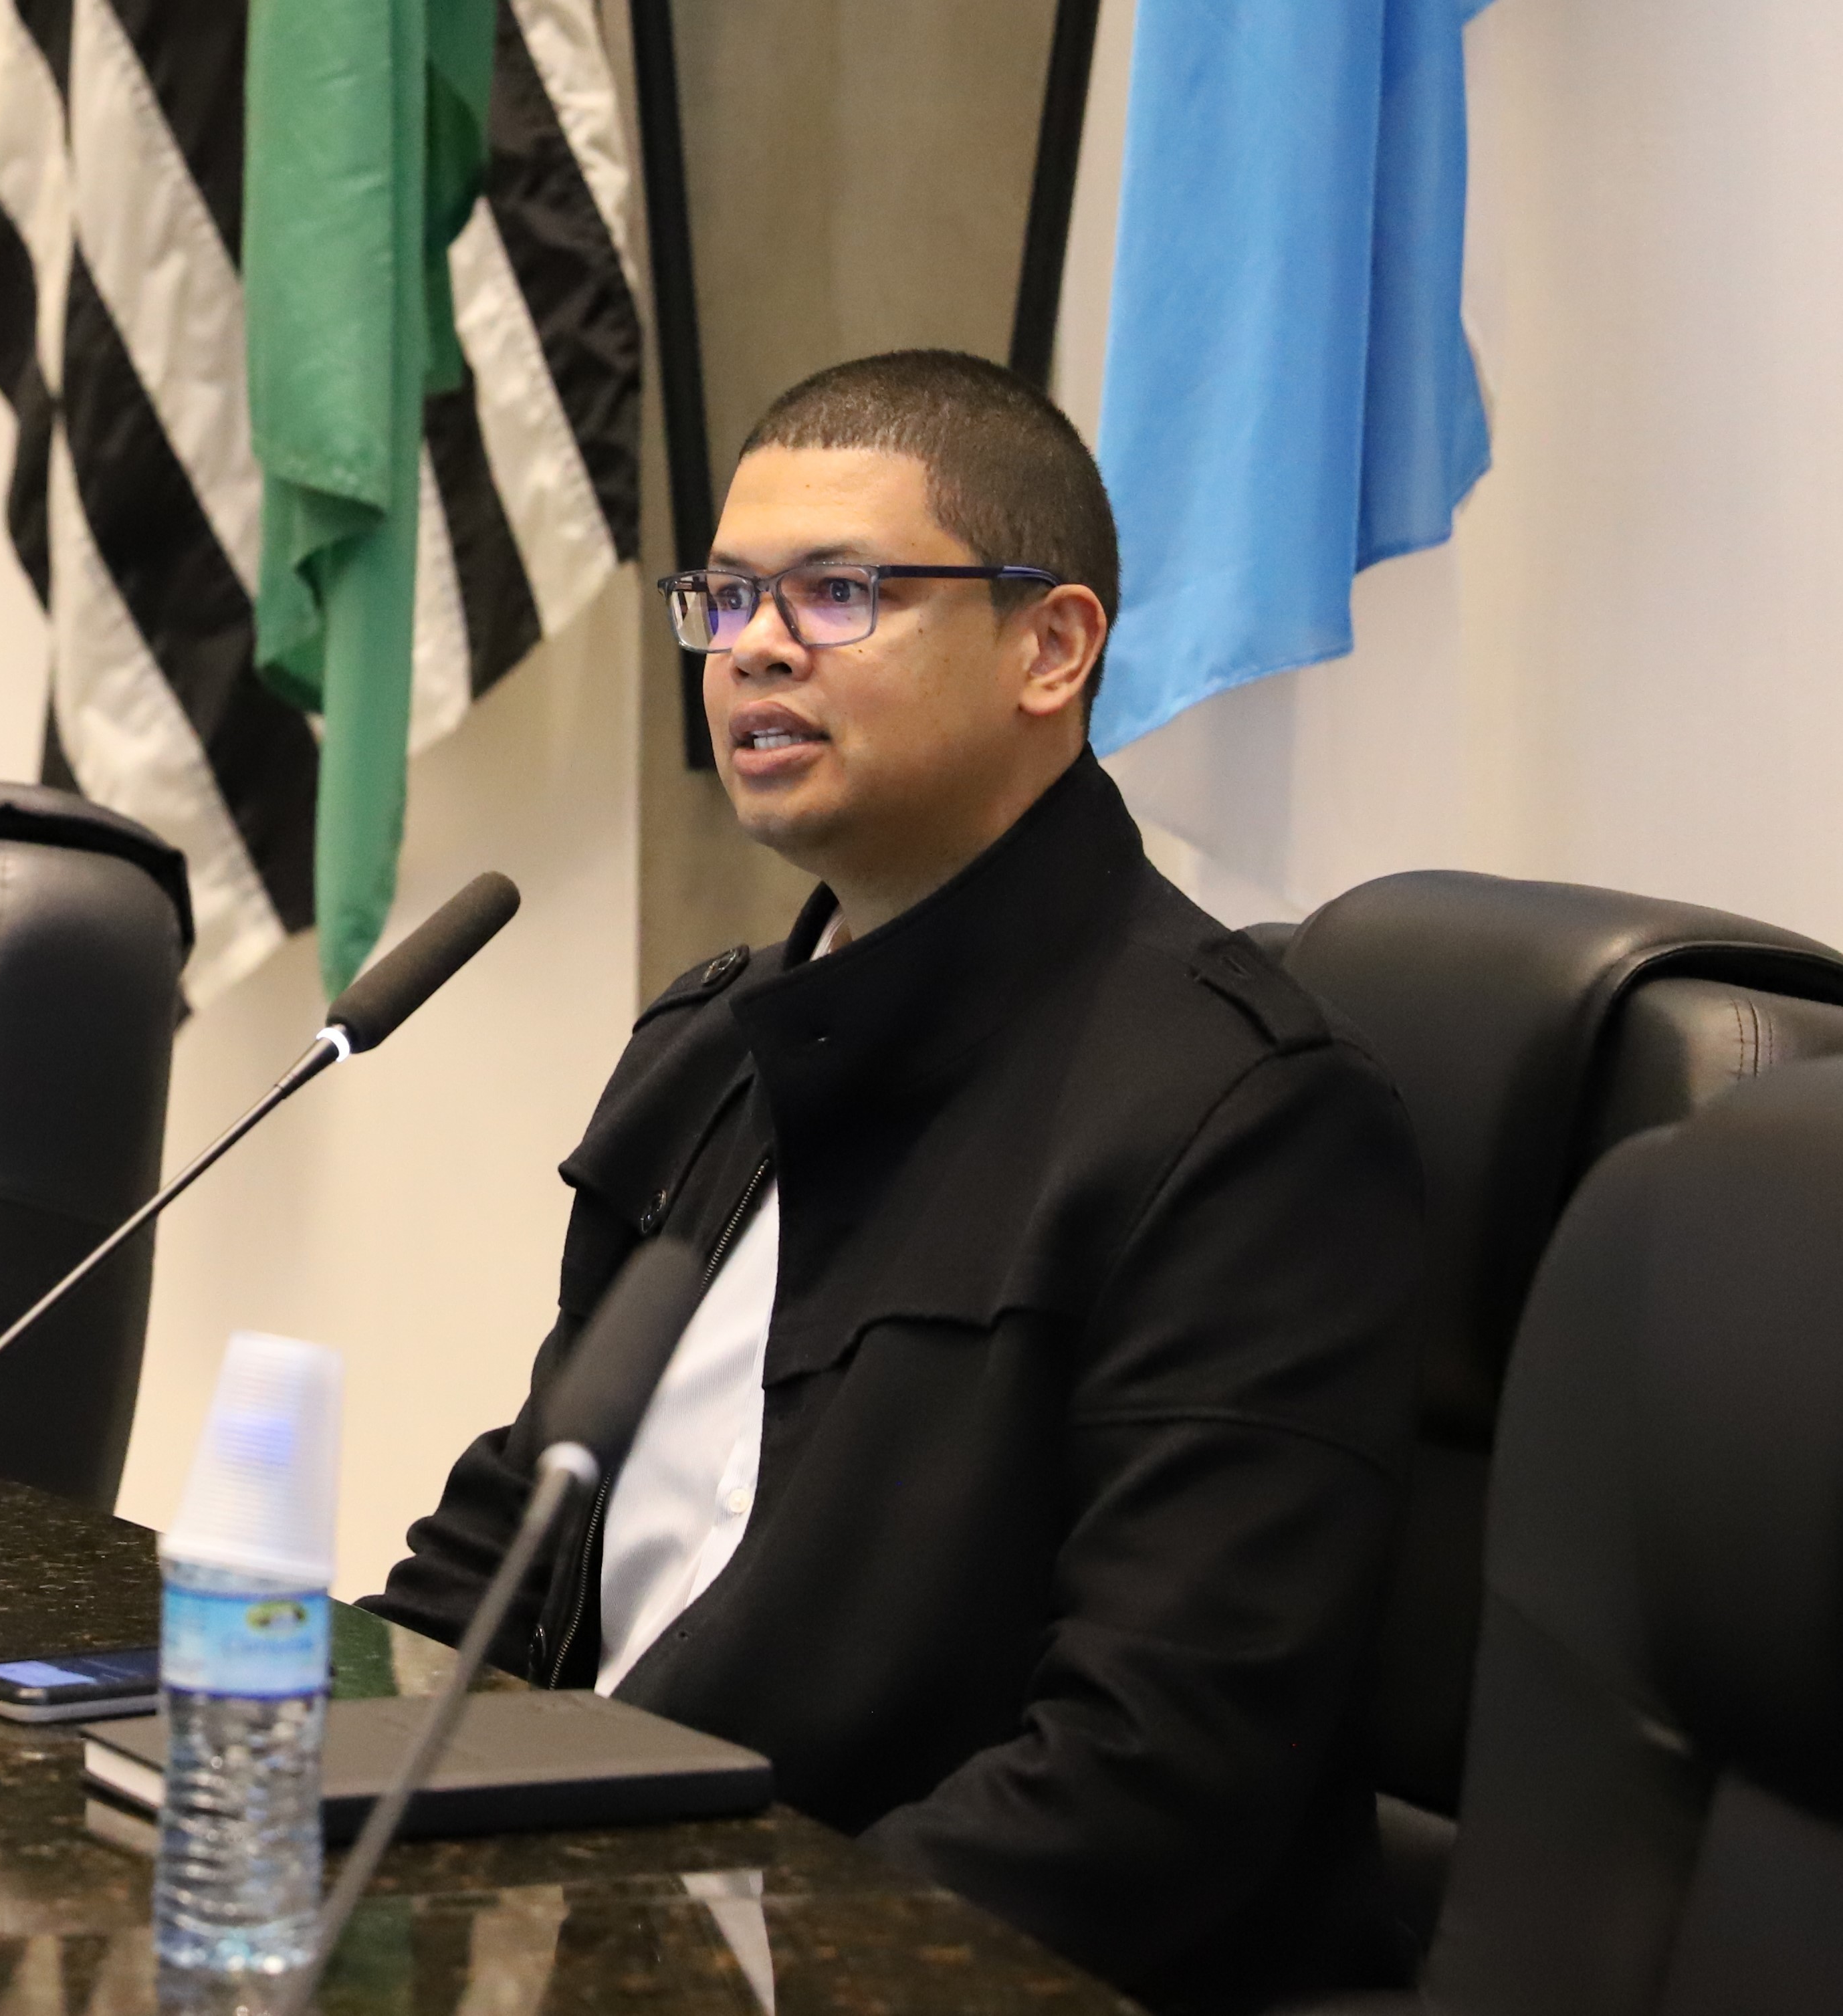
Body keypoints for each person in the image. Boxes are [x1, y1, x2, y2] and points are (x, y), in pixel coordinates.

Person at [361, 350, 1425, 2013]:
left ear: (1050, 646)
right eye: (724, 597)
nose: (754, 646)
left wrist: (704, 1978)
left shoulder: (1247, 1119)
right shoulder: (705, 1047)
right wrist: (261, 1765)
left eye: (838, 592)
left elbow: (1148, 1777)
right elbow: (513, 1544)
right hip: (599, 1920)